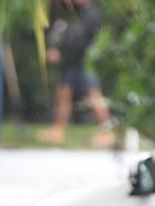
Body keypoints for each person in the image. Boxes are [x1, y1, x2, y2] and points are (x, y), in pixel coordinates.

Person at [40, 0, 112, 147]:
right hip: (73, 62)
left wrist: (61, 53)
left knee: (94, 96)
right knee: (63, 94)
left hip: (84, 62)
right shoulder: (79, 13)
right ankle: (57, 130)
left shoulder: (92, 14)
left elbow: (79, 41)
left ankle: (106, 133)